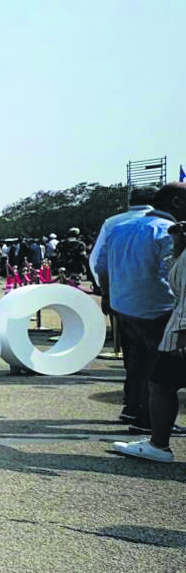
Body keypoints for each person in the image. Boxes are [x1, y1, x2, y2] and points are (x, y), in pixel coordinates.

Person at [94, 183, 186, 431]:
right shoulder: (168, 231)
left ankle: (131, 407)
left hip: (123, 307)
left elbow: (101, 267)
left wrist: (108, 295)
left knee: (136, 361)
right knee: (159, 370)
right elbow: (175, 274)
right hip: (157, 308)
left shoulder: (120, 227)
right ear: (176, 202)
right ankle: (150, 419)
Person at [113, 221, 186, 462]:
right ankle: (157, 442)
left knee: (161, 383)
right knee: (160, 382)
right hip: (175, 320)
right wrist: (179, 244)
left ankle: (158, 443)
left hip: (180, 325)